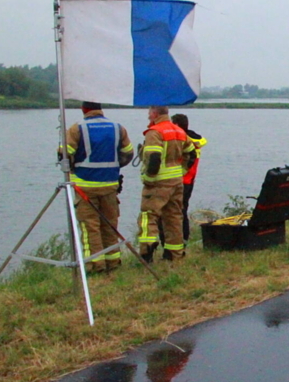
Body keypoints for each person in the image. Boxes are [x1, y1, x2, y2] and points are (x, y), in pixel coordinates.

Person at [61, 102, 134, 273]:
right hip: (110, 184)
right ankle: (113, 263)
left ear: (83, 109)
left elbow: (65, 155)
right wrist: (113, 168)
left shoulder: (76, 128)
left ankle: (95, 265)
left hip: (84, 186)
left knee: (90, 228)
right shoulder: (118, 128)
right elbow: (128, 153)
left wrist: (72, 169)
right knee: (110, 225)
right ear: (101, 109)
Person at [137, 106, 195, 263]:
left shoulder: (154, 132)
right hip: (176, 182)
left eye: (149, 112)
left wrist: (149, 179)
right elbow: (192, 153)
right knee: (174, 217)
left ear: (155, 113)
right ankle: (174, 254)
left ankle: (147, 250)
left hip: (158, 183)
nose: (148, 116)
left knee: (148, 215)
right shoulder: (178, 131)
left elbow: (154, 158)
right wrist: (181, 171)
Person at [171, 113, 207, 242]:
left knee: (175, 212)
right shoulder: (195, 140)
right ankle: (184, 240)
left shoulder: (182, 141)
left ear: (176, 125)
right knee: (183, 211)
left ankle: (179, 240)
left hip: (181, 179)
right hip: (190, 180)